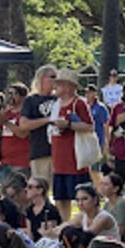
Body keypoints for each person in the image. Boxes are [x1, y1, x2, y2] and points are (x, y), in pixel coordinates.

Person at [47, 68, 94, 223]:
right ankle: (65, 224)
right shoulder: (56, 104)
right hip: (58, 158)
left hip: (74, 158)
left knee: (80, 196)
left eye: (59, 84)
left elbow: (89, 126)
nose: (55, 88)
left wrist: (68, 124)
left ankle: (85, 222)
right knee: (61, 198)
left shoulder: (78, 103)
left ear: (68, 87)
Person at [20, 64, 59, 182]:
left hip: (60, 151)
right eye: (52, 76)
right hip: (40, 150)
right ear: (42, 78)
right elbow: (24, 125)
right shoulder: (31, 100)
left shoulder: (60, 99)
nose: (56, 80)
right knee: (40, 188)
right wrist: (48, 120)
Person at [0, 82, 30, 180]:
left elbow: (23, 134)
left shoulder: (26, 113)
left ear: (22, 96)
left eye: (14, 94)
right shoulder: (6, 113)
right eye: (9, 94)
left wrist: (6, 122)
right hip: (5, 161)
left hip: (22, 161)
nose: (10, 97)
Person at [98, 171, 125, 243]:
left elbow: (118, 232)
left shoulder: (122, 205)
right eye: (101, 184)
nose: (102, 187)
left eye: (106, 184)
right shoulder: (107, 204)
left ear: (115, 189)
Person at [24, 175, 61, 241]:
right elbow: (30, 234)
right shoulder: (29, 210)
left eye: (30, 187)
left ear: (40, 190)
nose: (26, 189)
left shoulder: (50, 210)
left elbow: (51, 234)